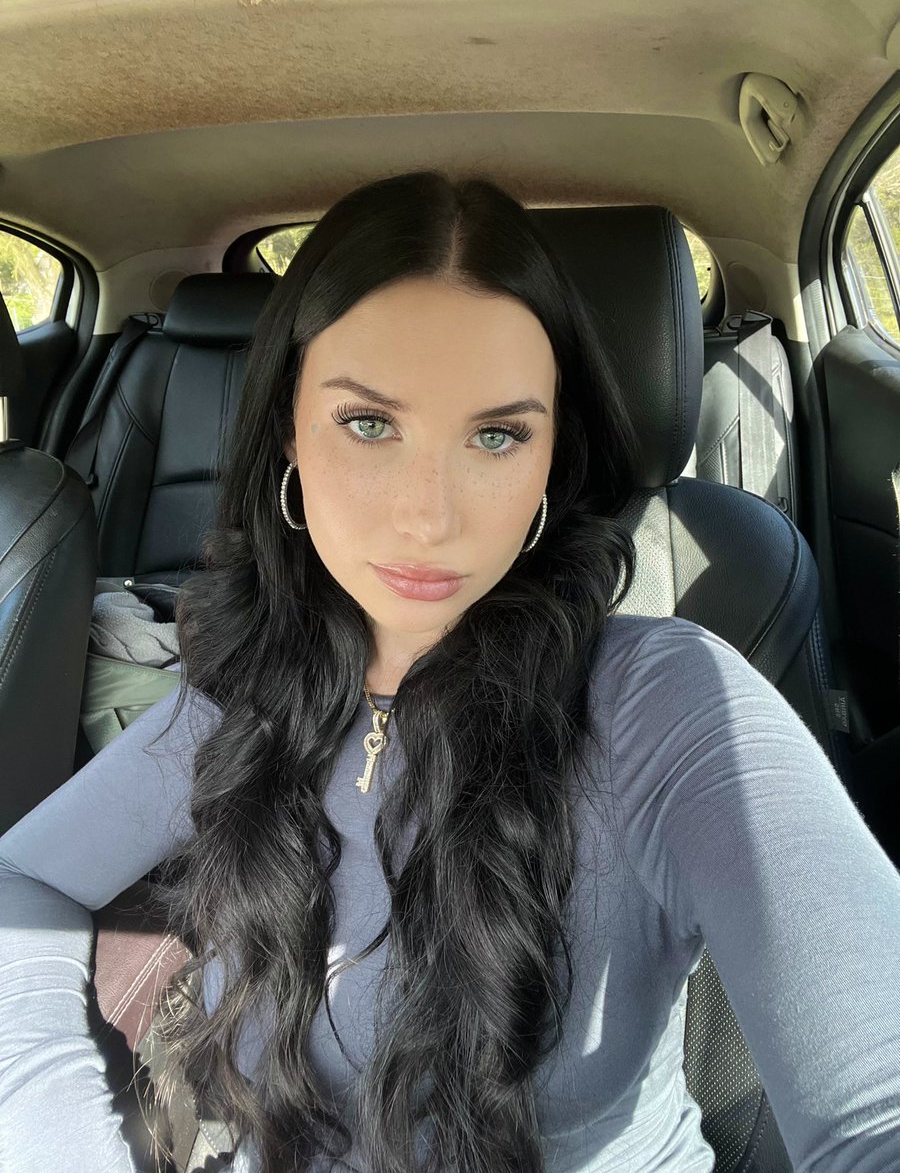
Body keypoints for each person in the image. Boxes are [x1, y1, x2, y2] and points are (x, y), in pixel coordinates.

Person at [1, 170, 899, 1173]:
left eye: (497, 434)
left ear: (551, 457)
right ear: (289, 428)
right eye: (369, 423)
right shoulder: (251, 684)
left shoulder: (666, 702)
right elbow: (20, 878)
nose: (429, 517)